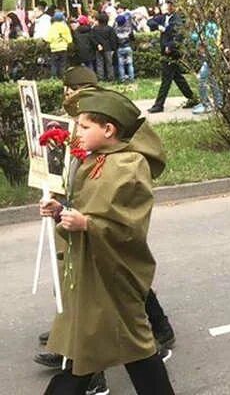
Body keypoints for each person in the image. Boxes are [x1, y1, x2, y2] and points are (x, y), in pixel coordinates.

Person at [38, 89, 175, 395]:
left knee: (128, 350)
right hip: (91, 271)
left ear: (109, 130)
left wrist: (87, 224)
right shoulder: (93, 161)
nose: (77, 133)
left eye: (84, 127)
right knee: (99, 349)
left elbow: (130, 226)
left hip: (115, 274)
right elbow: (85, 210)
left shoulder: (129, 165)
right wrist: (61, 212)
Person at [147, 0, 199, 113]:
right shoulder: (164, 17)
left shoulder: (177, 19)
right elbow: (150, 22)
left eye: (171, 5)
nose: (169, 6)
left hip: (171, 52)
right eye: (168, 4)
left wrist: (170, 46)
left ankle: (159, 105)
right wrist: (159, 26)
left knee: (166, 78)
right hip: (164, 50)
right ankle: (192, 98)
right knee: (177, 77)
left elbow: (179, 35)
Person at [92, 12, 117, 81]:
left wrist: (97, 44)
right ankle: (110, 77)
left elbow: (92, 38)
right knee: (109, 64)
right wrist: (113, 49)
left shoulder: (95, 29)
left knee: (99, 63)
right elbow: (113, 39)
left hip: (98, 48)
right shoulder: (110, 29)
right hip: (108, 48)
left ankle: (100, 77)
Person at [47, 12, 72, 79]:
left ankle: (54, 77)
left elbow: (48, 38)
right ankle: (62, 77)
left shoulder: (53, 27)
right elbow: (69, 39)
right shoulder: (65, 26)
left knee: (54, 64)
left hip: (54, 48)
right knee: (62, 64)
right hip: (63, 48)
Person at [115, 13, 136, 82]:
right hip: (128, 47)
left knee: (121, 65)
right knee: (130, 64)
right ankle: (131, 78)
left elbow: (114, 39)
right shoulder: (128, 29)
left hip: (120, 48)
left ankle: (122, 78)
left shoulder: (116, 29)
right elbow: (133, 38)